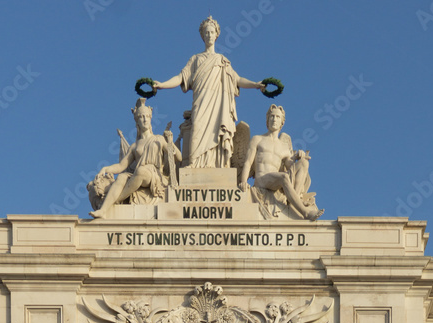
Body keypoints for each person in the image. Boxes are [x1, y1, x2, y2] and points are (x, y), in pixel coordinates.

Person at [152, 16, 266, 168]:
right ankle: (194, 164)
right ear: (202, 35)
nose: (209, 35)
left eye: (212, 32)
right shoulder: (195, 59)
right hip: (201, 102)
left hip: (218, 105)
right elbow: (181, 77)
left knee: (217, 132)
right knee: (197, 129)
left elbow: (237, 79)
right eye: (206, 33)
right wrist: (162, 85)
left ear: (217, 34)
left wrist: (255, 84)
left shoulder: (222, 60)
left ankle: (218, 166)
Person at [89, 100, 181, 219]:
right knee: (122, 176)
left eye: (147, 116)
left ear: (150, 119)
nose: (145, 119)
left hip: (154, 174)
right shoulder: (134, 146)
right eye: (141, 117)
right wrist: (105, 168)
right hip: (139, 174)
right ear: (137, 121)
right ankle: (103, 210)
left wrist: (171, 144)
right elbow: (121, 166)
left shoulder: (159, 139)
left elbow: (179, 157)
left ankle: (115, 200)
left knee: (140, 171)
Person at [239, 104, 322, 221]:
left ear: (282, 122)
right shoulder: (258, 139)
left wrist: (298, 156)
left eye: (277, 117)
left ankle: (294, 200)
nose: (274, 119)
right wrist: (243, 181)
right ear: (267, 120)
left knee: (304, 163)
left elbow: (289, 166)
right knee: (283, 177)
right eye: (272, 116)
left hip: (276, 180)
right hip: (262, 180)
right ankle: (305, 212)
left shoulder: (284, 147)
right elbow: (248, 162)